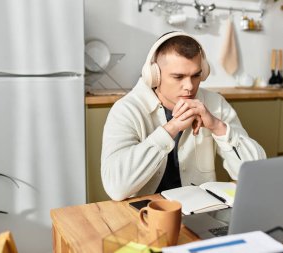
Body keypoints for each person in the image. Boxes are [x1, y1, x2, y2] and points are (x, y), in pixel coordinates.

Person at [101, 31, 266, 201]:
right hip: (147, 213)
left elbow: (256, 173)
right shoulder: (126, 110)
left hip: (202, 209)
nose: (189, 86)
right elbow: (116, 188)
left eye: (196, 75)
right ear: (154, 75)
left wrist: (217, 126)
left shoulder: (215, 104)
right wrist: (171, 128)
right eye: (178, 77)